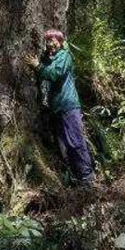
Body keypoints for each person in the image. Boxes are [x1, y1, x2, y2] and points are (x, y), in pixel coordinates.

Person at [25, 29, 94, 186]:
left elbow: (54, 74)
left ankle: (87, 179)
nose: (51, 43)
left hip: (68, 106)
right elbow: (47, 69)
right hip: (57, 109)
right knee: (64, 146)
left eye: (55, 40)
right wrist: (41, 62)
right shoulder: (52, 58)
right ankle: (76, 179)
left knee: (75, 142)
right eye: (49, 41)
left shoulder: (64, 56)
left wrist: (37, 66)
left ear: (61, 42)